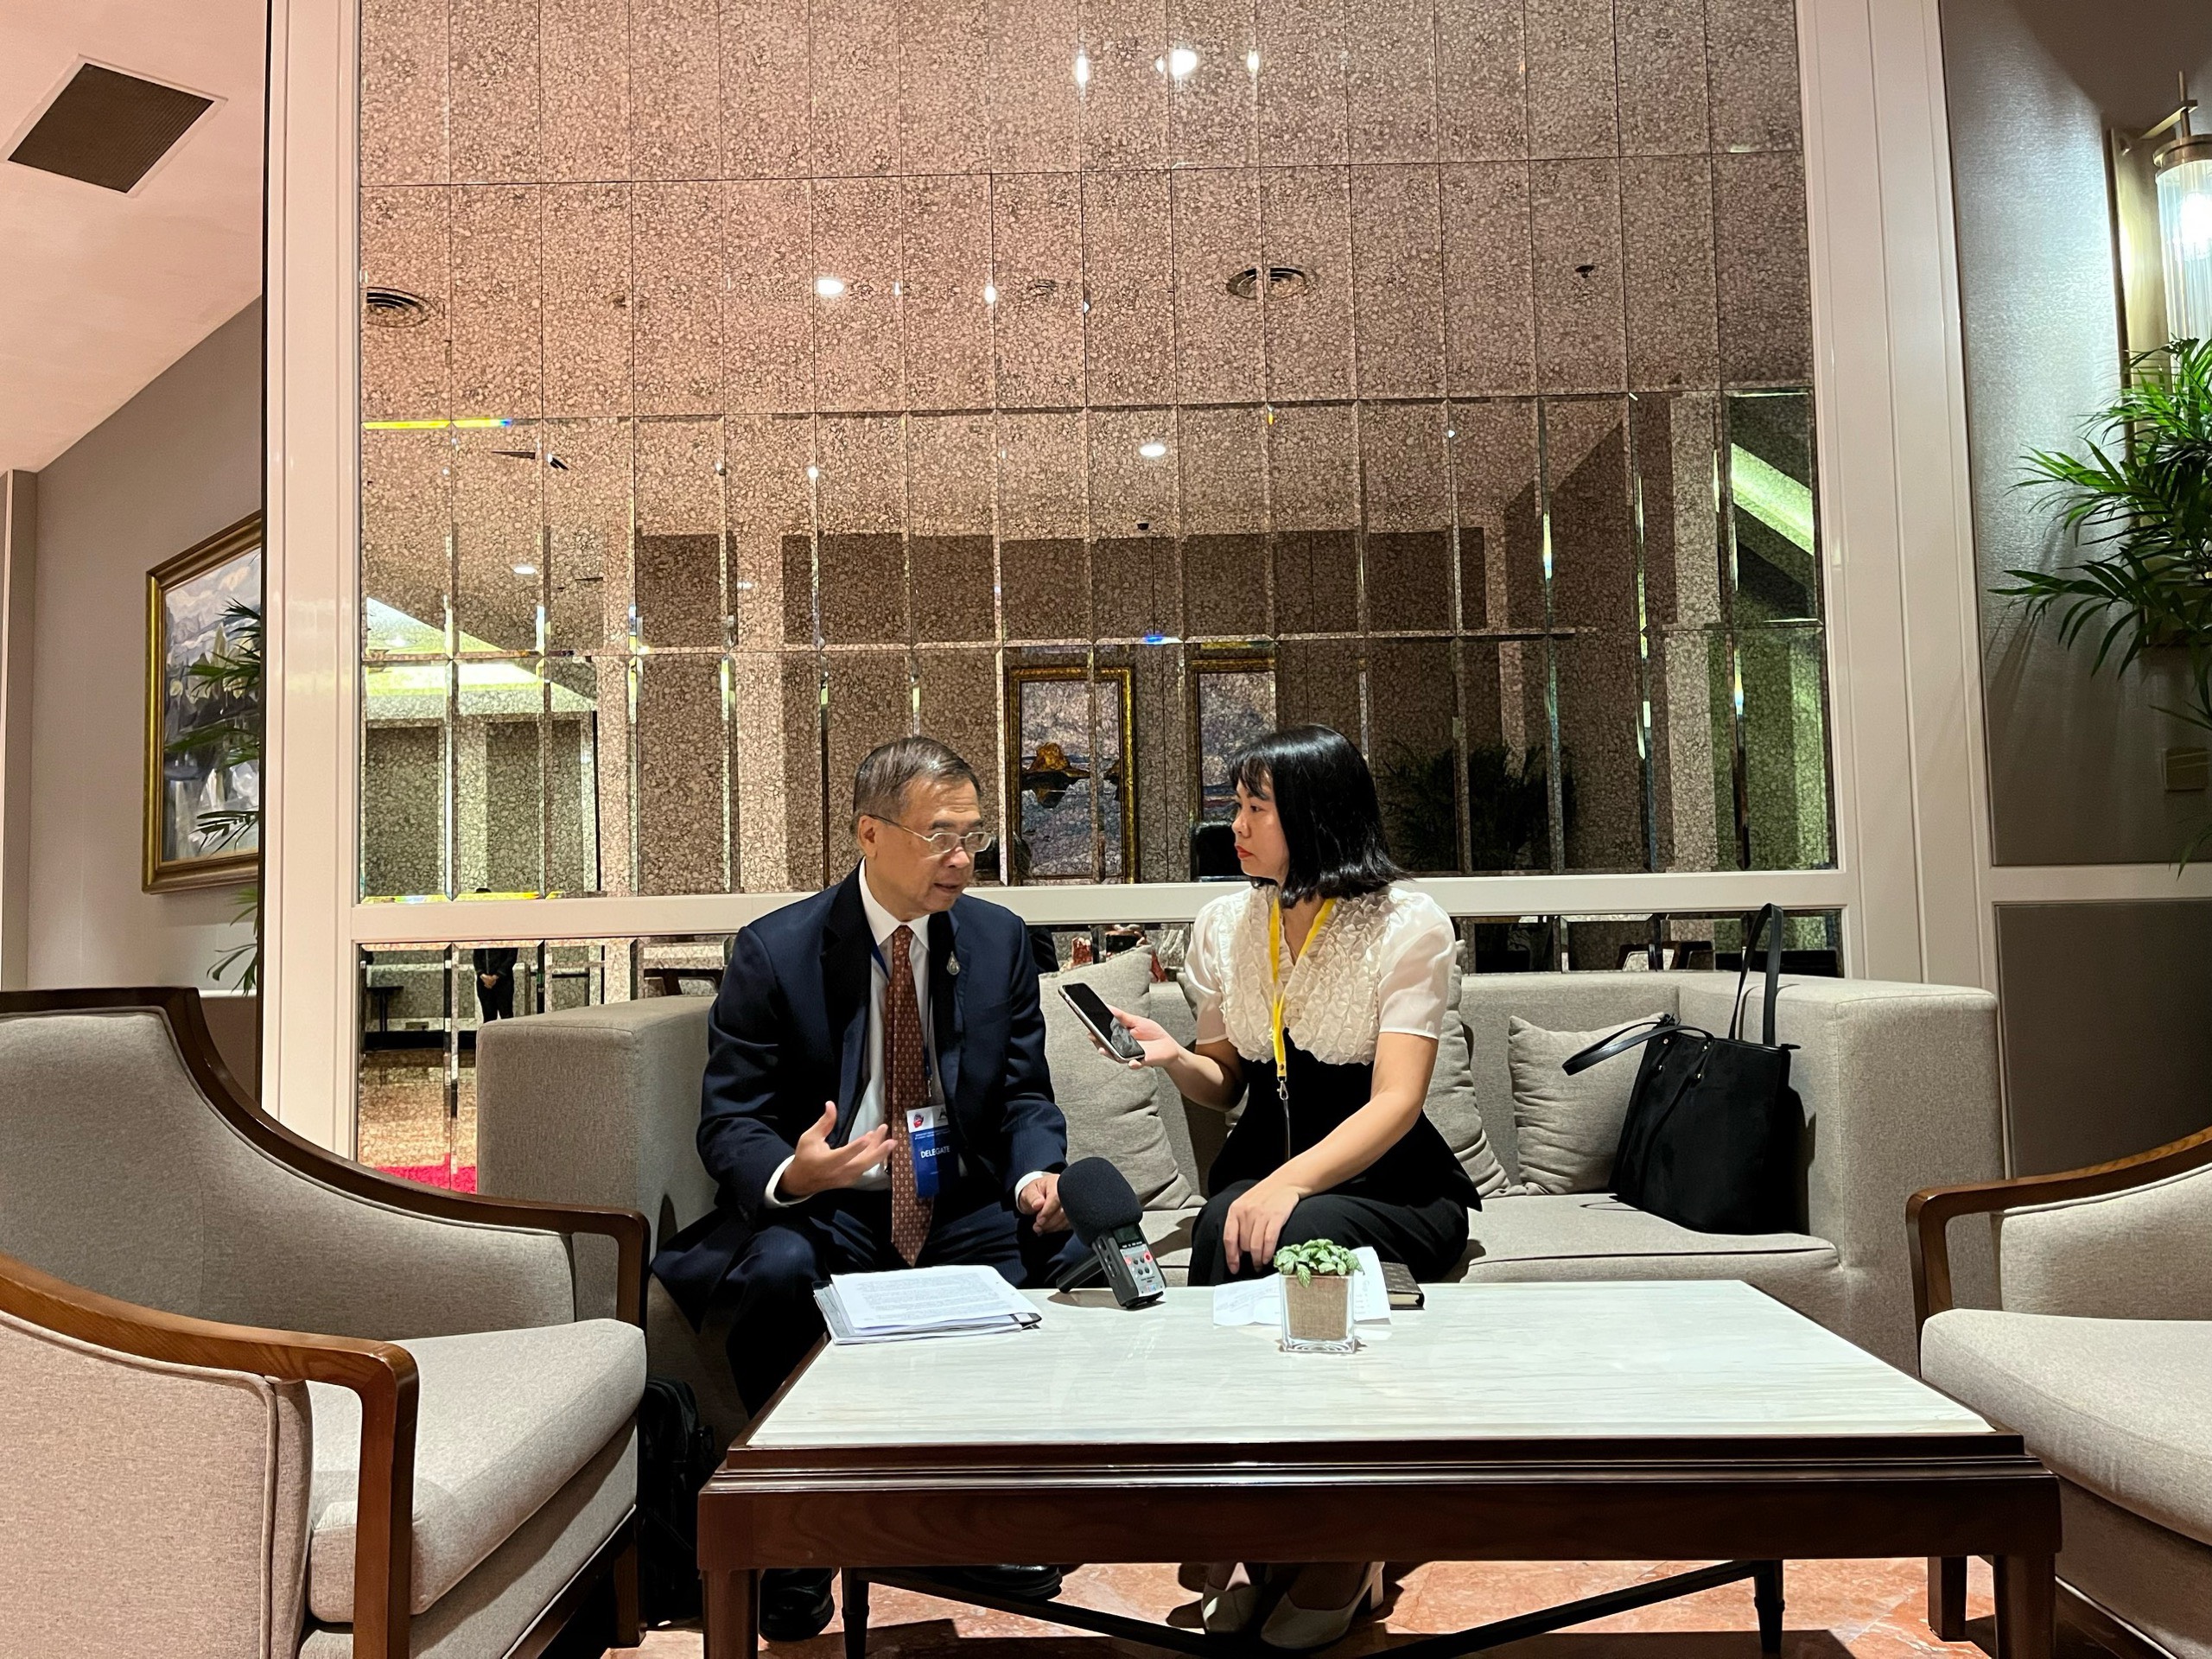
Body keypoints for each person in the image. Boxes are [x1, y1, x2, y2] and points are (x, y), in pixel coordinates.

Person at [652, 736, 1077, 1640]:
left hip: (959, 1202)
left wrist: (1037, 1175)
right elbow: (730, 1120)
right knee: (773, 1272)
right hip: (830, 1208)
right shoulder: (777, 950)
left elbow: (1024, 1096)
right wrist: (792, 1172)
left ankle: (987, 1522)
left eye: (973, 836)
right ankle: (800, 1535)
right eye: (939, 836)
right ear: (870, 834)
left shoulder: (998, 940)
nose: (961, 858)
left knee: (1073, 1255)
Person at [1097, 725, 1477, 1652]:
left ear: (1315, 814)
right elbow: (1226, 1081)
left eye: (1253, 807)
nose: (1233, 825)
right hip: (1265, 1162)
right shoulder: (1229, 923)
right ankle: (1254, 1530)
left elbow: (1396, 1102)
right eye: (1236, 805)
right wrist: (1173, 1057)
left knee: (1301, 1236)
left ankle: (1346, 1546)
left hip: (1387, 1178)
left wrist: (1286, 1186)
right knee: (1225, 1225)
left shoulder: (1407, 924)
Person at [472, 945, 517, 1021]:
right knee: (488, 1016)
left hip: (504, 981)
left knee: (506, 1015)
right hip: (484, 982)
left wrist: (496, 976)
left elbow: (511, 957)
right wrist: (482, 975)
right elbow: (476, 956)